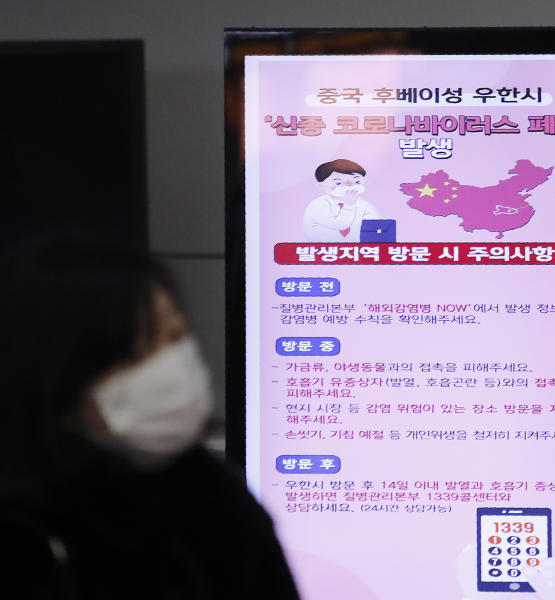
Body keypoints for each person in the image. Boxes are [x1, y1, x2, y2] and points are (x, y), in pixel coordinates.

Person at [0, 238, 300, 599]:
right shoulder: (24, 533)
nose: (169, 366)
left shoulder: (217, 503)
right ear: (57, 374)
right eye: (139, 352)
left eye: (176, 336)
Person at [302, 159, 380, 242]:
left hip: (360, 250)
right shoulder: (318, 205)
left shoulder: (364, 205)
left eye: (356, 181)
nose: (349, 185)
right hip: (324, 250)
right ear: (322, 186)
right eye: (338, 183)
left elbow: (376, 228)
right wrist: (349, 205)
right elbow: (340, 225)